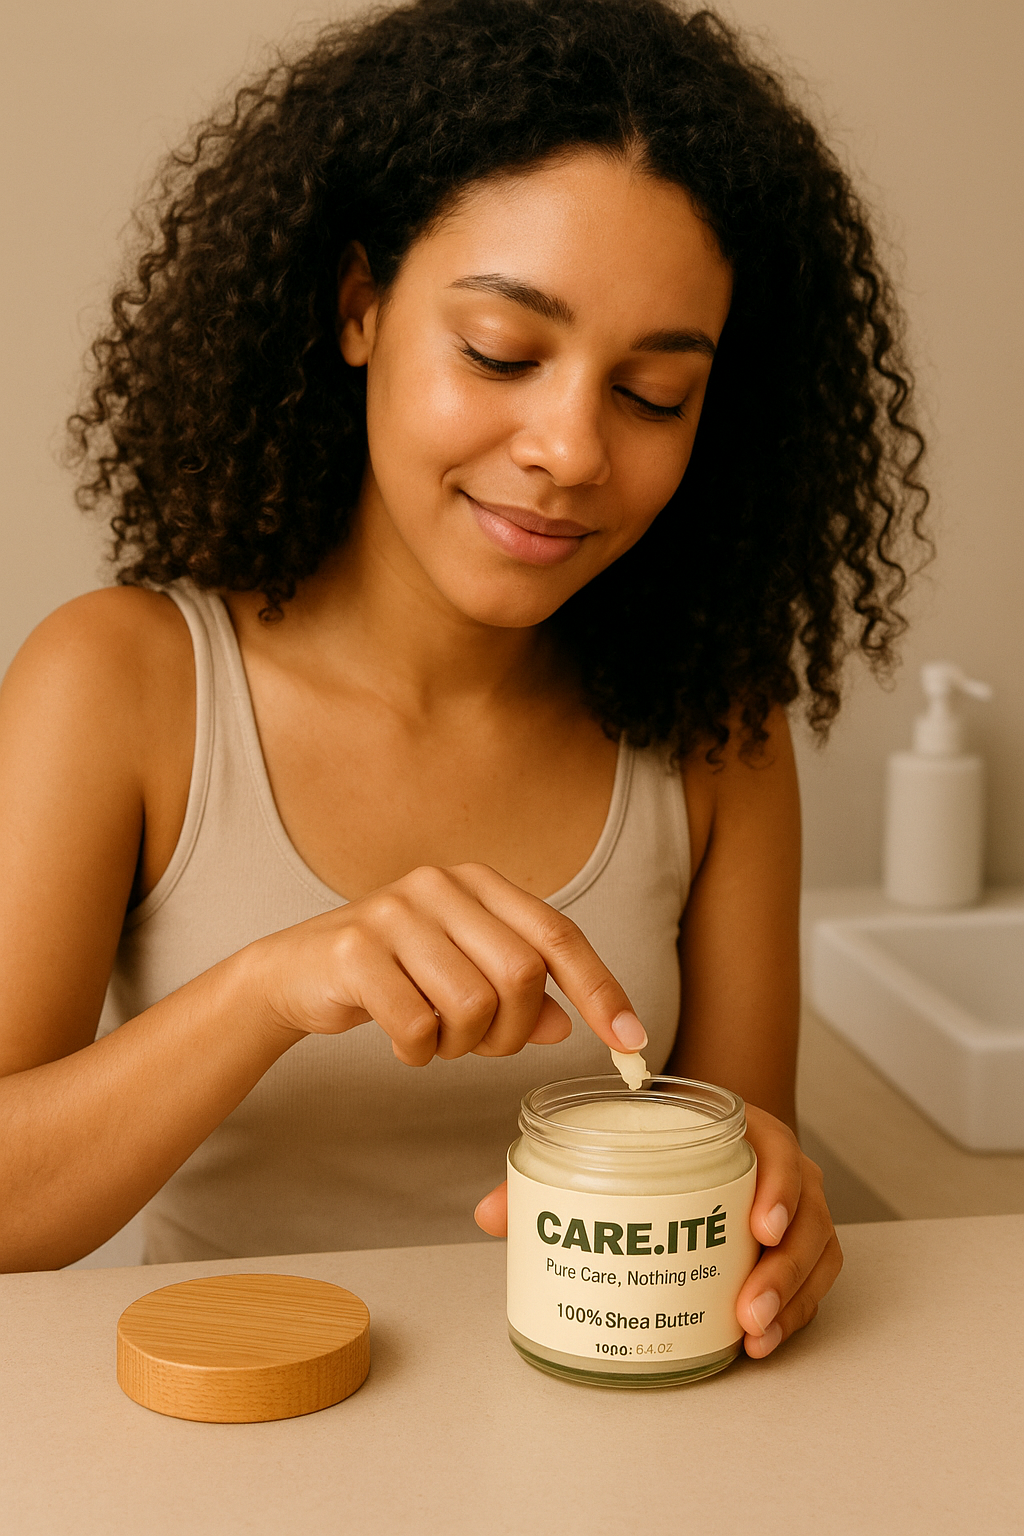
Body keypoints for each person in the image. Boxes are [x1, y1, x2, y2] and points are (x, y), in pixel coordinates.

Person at [0, 0, 927, 1359]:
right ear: (361, 306)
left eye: (655, 394)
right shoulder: (124, 683)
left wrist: (778, 1212)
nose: (570, 448)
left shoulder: (715, 728)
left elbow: (735, 1162)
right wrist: (270, 987)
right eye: (501, 352)